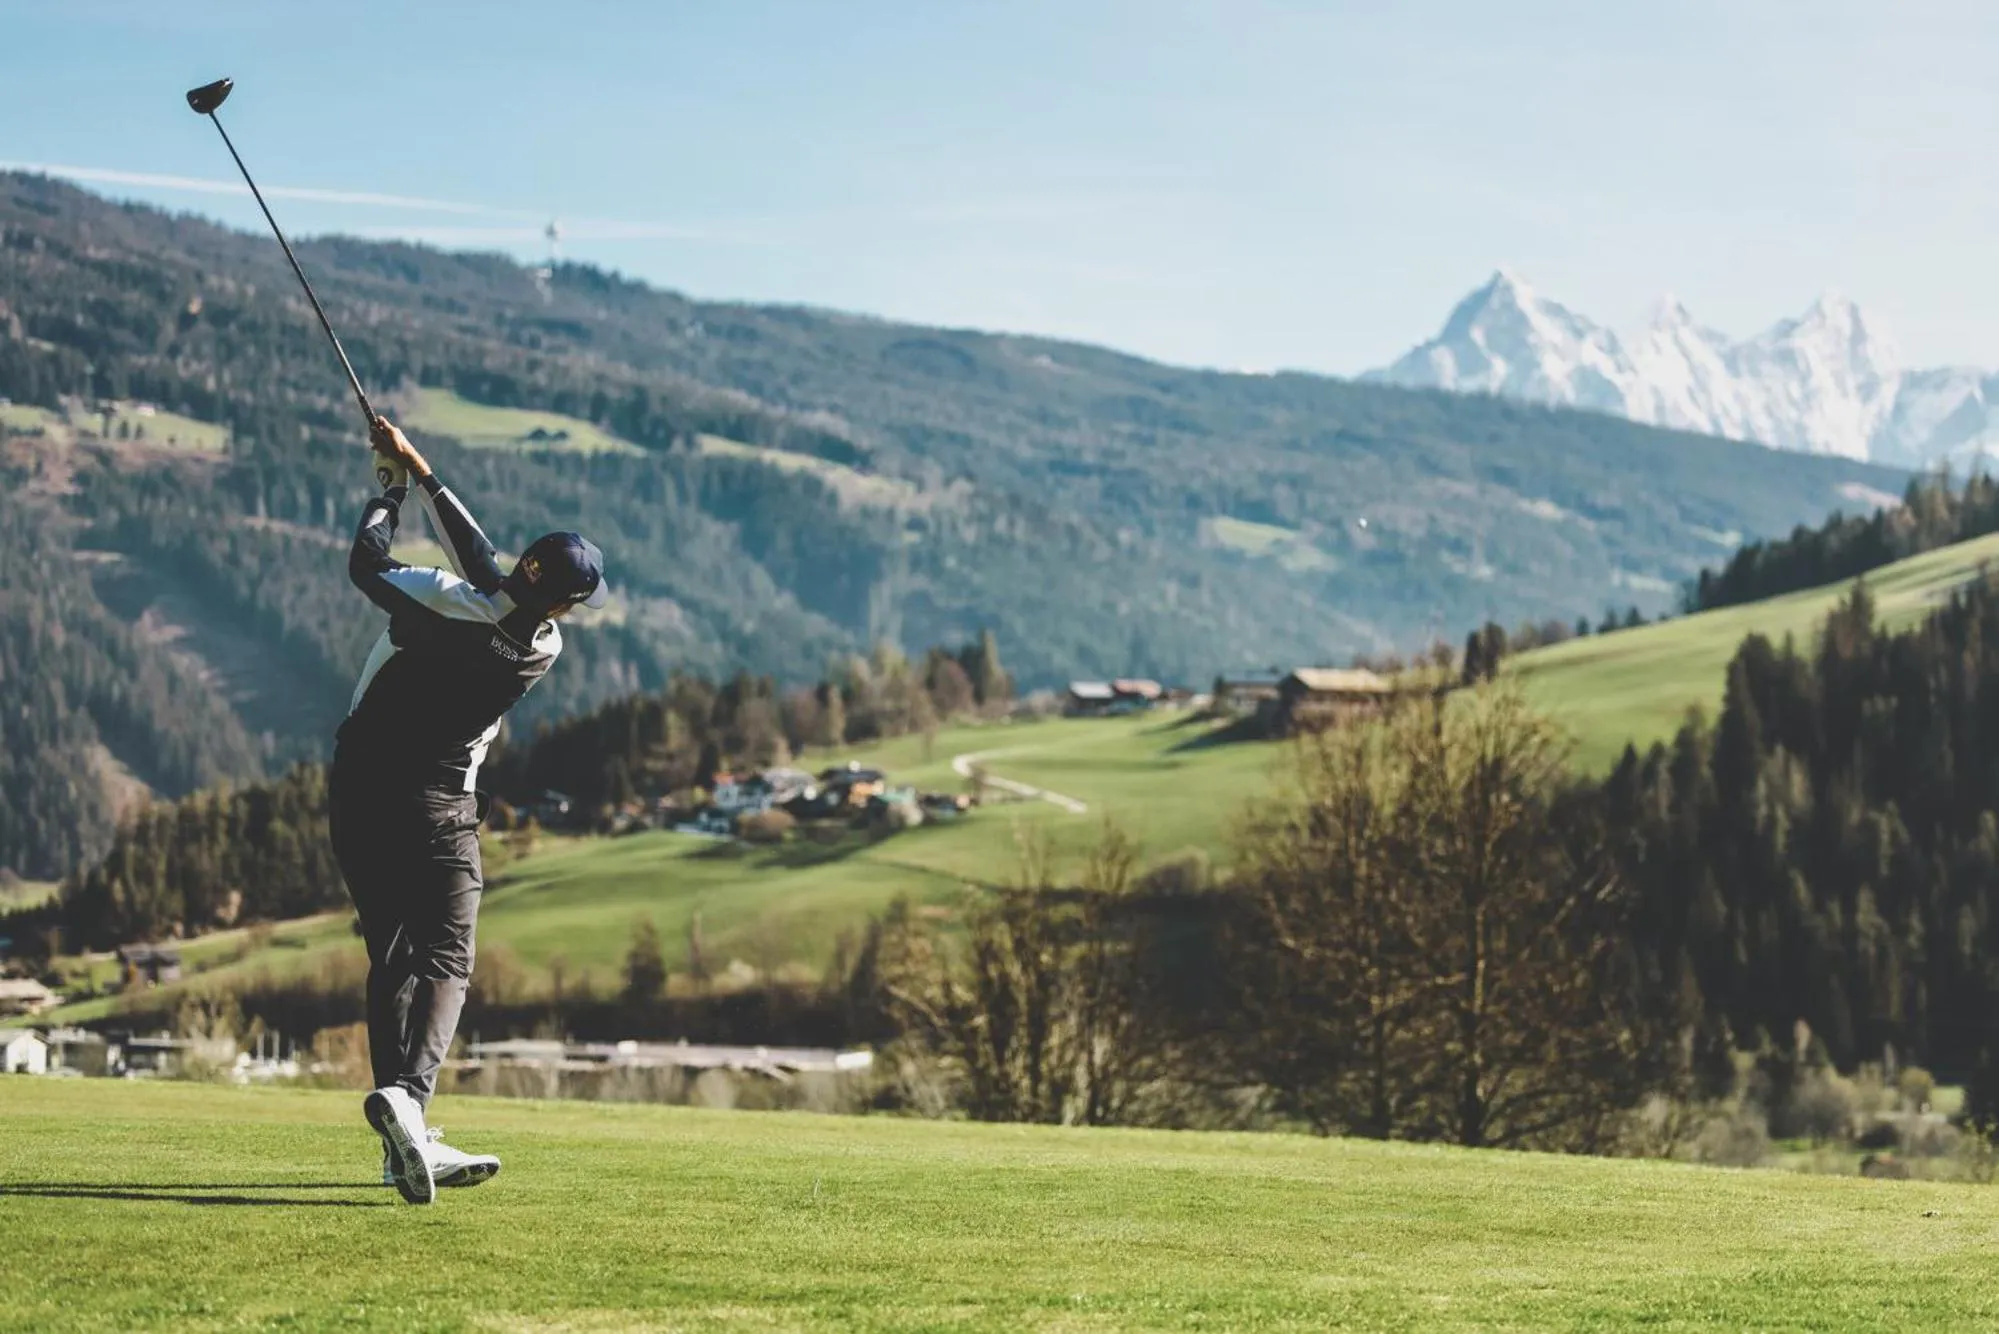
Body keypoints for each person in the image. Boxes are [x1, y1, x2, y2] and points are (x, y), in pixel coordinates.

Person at [330, 415, 606, 1205]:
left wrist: (392, 487)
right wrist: (418, 469)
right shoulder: (538, 647)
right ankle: (410, 1103)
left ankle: (402, 1141)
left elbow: (370, 564)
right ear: (565, 605)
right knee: (447, 957)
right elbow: (493, 578)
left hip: (355, 790)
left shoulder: (437, 599)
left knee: (391, 956)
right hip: (437, 807)